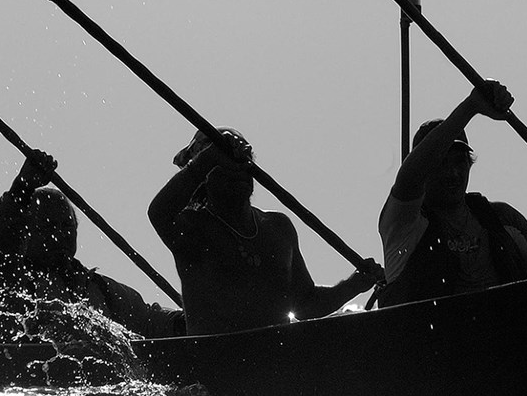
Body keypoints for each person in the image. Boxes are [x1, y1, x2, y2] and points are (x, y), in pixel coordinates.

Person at [149, 128, 383, 334]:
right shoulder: (192, 228)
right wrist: (207, 159)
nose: (237, 172)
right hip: (213, 364)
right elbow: (158, 212)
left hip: (275, 364)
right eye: (224, 166)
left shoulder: (279, 227)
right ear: (205, 176)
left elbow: (305, 303)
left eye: (242, 164)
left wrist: (353, 285)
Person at [0, 150, 185, 341]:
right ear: (26, 233)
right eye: (48, 225)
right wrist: (22, 187)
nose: (61, 234)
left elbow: (150, 321)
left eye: (67, 226)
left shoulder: (101, 290)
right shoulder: (6, 279)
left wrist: (190, 321)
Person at [375, 81, 527, 307]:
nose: (452, 173)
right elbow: (409, 179)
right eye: (440, 163)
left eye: (460, 162)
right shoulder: (404, 225)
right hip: (436, 340)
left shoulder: (500, 218)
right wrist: (471, 106)